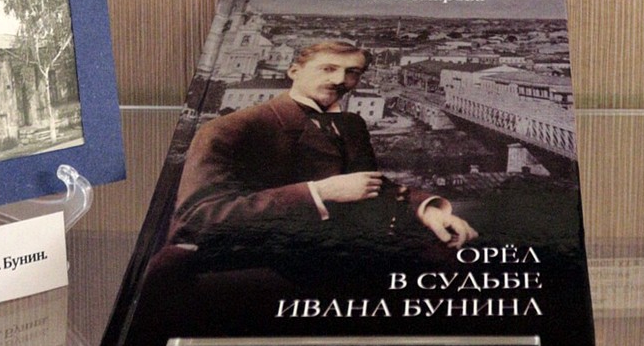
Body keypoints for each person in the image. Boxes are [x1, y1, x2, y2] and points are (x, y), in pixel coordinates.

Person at [166, 39, 477, 269]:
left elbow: (369, 187)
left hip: (349, 256)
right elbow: (196, 220)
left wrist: (428, 210)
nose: (340, 80)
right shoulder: (230, 129)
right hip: (268, 267)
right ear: (294, 71)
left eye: (352, 72)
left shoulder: (351, 124)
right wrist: (318, 193)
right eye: (328, 69)